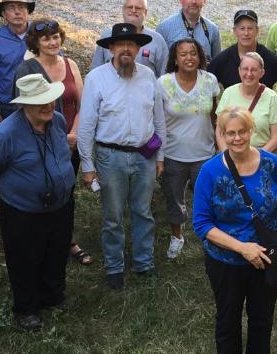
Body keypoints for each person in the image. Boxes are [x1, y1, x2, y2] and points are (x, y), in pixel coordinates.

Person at [192, 108, 277, 354]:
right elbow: (201, 223)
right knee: (228, 319)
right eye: (230, 133)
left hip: (267, 258)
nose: (237, 138)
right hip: (225, 260)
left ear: (252, 131)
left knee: (262, 317)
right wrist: (241, 247)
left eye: (242, 131)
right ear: (222, 136)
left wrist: (265, 235)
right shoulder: (210, 171)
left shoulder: (273, 165)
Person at [0, 74, 77, 331]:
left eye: (49, 100)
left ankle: (53, 294)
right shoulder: (6, 134)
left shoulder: (56, 121)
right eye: (40, 102)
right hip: (22, 212)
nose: (48, 106)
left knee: (57, 250)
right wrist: (19, 190)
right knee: (24, 258)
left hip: (61, 204)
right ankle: (26, 308)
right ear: (23, 105)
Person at [78, 22, 166, 291]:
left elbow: (159, 120)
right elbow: (86, 126)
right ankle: (115, 267)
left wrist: (159, 156)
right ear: (111, 48)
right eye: (121, 45)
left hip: (144, 156)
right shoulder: (96, 78)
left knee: (143, 212)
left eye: (132, 45)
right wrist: (87, 165)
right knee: (113, 216)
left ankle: (143, 262)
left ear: (139, 49)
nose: (126, 49)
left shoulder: (149, 76)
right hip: (110, 157)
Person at [13, 17, 91, 265]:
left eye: (56, 36)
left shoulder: (71, 65)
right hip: (42, 143)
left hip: (70, 140)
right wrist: (58, 138)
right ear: (36, 42)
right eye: (46, 38)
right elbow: (25, 112)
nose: (52, 41)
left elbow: (82, 104)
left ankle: (67, 239)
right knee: (44, 190)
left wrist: (74, 135)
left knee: (66, 191)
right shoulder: (26, 69)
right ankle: (44, 239)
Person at [158, 38, 221, 260]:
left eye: (193, 53)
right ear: (175, 59)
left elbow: (214, 115)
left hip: (204, 153)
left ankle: (212, 239)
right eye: (183, 54)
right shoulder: (163, 83)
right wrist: (158, 156)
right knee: (175, 199)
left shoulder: (210, 80)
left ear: (200, 56)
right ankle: (177, 237)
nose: (188, 58)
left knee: (208, 199)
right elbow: (157, 121)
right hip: (172, 153)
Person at [209, 9, 277, 91]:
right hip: (233, 107)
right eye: (242, 29)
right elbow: (206, 83)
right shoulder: (223, 59)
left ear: (257, 31)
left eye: (250, 28)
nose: (246, 33)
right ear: (235, 31)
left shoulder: (270, 59)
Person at [215, 52, 277, 152]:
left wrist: (255, 158)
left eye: (254, 70)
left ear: (262, 73)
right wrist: (227, 155)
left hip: (262, 154)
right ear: (239, 71)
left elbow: (276, 138)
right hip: (232, 153)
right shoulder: (228, 93)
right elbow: (219, 130)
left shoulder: (272, 97)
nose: (249, 74)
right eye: (245, 69)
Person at [0, 0, 35, 120]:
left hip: (39, 99)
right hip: (8, 105)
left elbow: (58, 64)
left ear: (28, 12)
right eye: (11, 8)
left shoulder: (40, 34)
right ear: (4, 14)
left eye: (21, 7)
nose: (17, 12)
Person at [90, 0, 169, 75]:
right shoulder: (107, 36)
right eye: (129, 7)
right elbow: (95, 69)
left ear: (145, 12)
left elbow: (164, 75)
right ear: (123, 10)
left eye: (138, 8)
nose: (133, 10)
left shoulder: (157, 40)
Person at [156, 0, 221, 60]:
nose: (194, 1)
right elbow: (159, 63)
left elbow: (217, 63)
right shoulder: (164, 28)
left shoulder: (212, 29)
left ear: (204, 1)